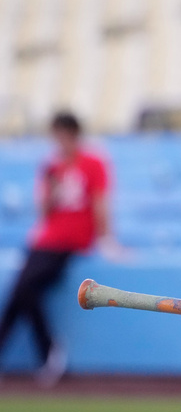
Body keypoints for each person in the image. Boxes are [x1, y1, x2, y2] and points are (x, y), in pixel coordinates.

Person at [0, 111, 113, 386]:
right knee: (20, 292)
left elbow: (100, 202)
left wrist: (107, 239)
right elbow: (44, 211)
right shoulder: (52, 167)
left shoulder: (93, 163)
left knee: (24, 290)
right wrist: (52, 188)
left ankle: (49, 350)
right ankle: (47, 351)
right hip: (45, 240)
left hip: (71, 241)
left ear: (72, 135)